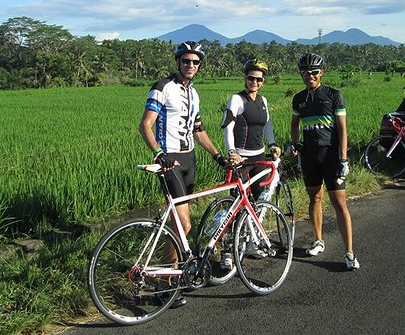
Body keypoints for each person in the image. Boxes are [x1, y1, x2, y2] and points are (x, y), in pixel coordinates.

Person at [139, 41, 229, 306]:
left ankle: (171, 278)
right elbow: (145, 124)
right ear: (178, 62)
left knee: (181, 226)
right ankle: (164, 285)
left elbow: (198, 130)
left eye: (195, 62)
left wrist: (217, 155)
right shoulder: (163, 86)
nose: (190, 66)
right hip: (172, 162)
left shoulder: (195, 93)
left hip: (190, 160)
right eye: (186, 61)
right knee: (183, 225)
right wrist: (158, 152)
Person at [289, 53, 360, 270]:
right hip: (310, 156)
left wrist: (344, 158)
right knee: (315, 198)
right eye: (305, 72)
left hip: (331, 156)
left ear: (321, 73)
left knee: (340, 204)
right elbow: (294, 125)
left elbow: (342, 129)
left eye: (314, 72)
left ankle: (349, 252)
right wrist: (295, 144)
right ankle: (318, 240)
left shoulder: (333, 95)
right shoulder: (299, 99)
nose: (309, 76)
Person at [221, 58, 282, 200]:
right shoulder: (237, 99)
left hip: (259, 156)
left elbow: (267, 124)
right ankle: (234, 223)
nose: (254, 82)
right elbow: (227, 127)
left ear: (263, 81)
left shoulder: (263, 100)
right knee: (239, 200)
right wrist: (232, 152)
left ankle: (254, 223)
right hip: (242, 158)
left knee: (258, 197)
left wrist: (272, 144)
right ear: (245, 78)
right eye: (251, 78)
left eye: (258, 79)